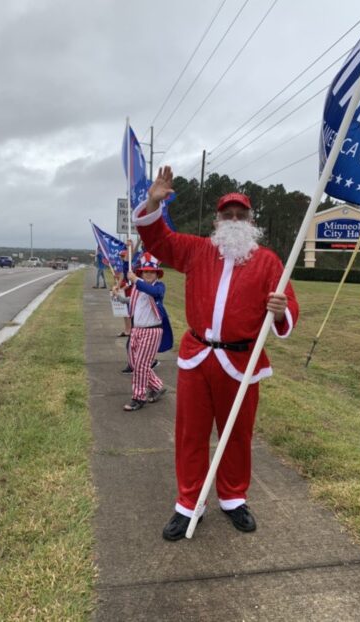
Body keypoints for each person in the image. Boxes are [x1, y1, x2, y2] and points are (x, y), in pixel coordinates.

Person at [133, 166, 299, 541]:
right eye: (229, 214)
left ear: (251, 221)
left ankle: (233, 497)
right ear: (217, 220)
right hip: (197, 357)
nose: (235, 220)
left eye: (242, 215)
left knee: (237, 434)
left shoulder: (268, 261)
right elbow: (158, 240)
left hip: (240, 363)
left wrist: (280, 310)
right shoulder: (196, 251)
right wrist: (153, 201)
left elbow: (288, 307)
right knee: (190, 434)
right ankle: (189, 504)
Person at [112, 252, 173, 411]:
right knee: (135, 364)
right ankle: (158, 387)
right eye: (145, 271)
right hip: (136, 331)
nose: (148, 274)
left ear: (157, 274)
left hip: (152, 332)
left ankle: (138, 397)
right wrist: (126, 262)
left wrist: (135, 280)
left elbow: (155, 293)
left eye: (151, 272)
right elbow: (130, 293)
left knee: (140, 365)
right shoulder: (137, 288)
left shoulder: (158, 287)